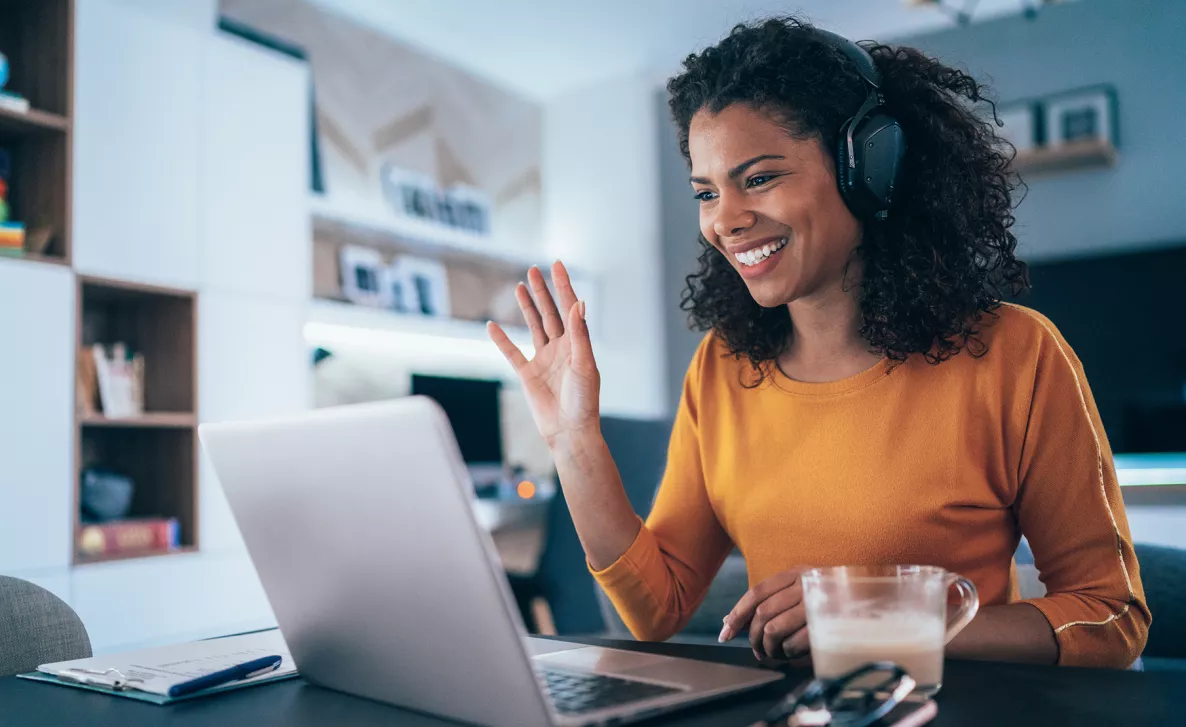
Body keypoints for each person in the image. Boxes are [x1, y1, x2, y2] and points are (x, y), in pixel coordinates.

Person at [487, 16, 1148, 669]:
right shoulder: (721, 369)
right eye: (706, 191)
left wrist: (887, 623)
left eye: (759, 177)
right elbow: (656, 607)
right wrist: (575, 442)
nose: (725, 220)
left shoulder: (1015, 354)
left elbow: (1110, 616)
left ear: (868, 165)